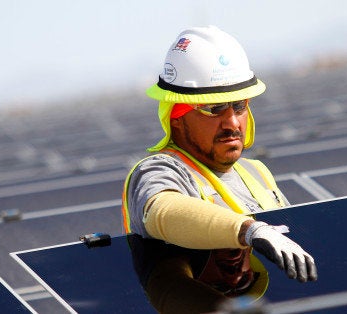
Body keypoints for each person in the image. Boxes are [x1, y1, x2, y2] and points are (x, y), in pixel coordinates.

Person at [121, 26, 317, 307]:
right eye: (214, 109)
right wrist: (250, 230)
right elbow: (161, 211)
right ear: (177, 117)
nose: (233, 123)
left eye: (239, 106)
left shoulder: (257, 173)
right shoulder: (158, 171)